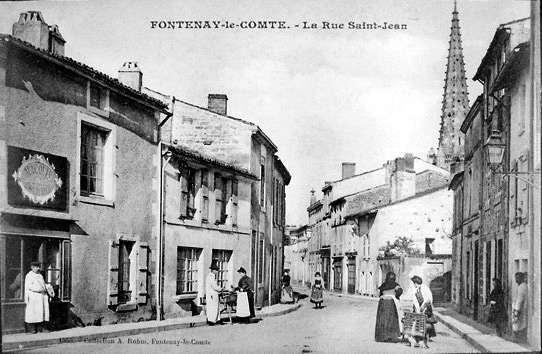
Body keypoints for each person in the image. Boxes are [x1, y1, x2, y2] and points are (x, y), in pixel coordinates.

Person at [407, 275, 436, 348]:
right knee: (416, 321)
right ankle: (416, 337)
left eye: (415, 283)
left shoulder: (425, 289)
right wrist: (417, 309)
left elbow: (428, 299)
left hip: (426, 308)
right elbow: (415, 301)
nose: (414, 285)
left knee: (424, 322)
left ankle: (423, 338)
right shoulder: (415, 290)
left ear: (417, 282)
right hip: (419, 309)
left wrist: (422, 308)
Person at [374, 271, 403, 342]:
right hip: (391, 303)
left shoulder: (383, 285)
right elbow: (400, 291)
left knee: (382, 320)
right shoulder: (395, 285)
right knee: (391, 319)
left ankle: (382, 336)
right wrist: (396, 296)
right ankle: (390, 336)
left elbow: (380, 294)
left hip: (382, 304)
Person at [24, 261, 50, 334]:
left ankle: (40, 328)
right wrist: (40, 288)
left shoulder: (40, 275)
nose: (39, 268)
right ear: (32, 267)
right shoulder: (29, 275)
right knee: (34, 313)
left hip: (41, 297)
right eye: (37, 267)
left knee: (41, 313)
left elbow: (43, 284)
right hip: (34, 297)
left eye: (39, 267)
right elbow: (30, 286)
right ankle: (32, 329)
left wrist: (47, 287)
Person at [205, 259, 224, 326]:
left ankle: (216, 319)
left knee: (216, 307)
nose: (217, 271)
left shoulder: (211, 276)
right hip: (212, 294)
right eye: (216, 270)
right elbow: (214, 286)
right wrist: (220, 288)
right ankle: (212, 320)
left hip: (213, 294)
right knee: (213, 307)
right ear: (213, 270)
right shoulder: (211, 276)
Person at [512, 272, 527, 343]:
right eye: (516, 278)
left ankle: (519, 340)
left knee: (517, 325)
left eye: (517, 278)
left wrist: (516, 311)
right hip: (518, 309)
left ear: (521, 278)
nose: (516, 280)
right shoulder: (520, 286)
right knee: (518, 324)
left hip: (518, 310)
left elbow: (519, 300)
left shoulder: (521, 287)